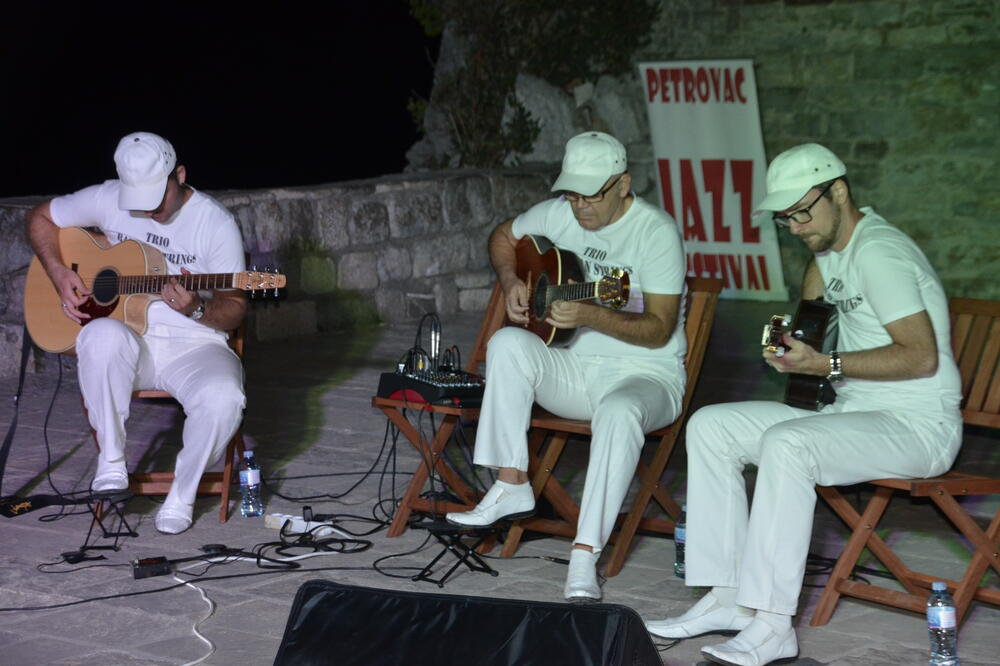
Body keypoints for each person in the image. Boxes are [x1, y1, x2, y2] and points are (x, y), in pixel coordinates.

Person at [644, 143, 962, 665]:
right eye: (785, 217)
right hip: (853, 413)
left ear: (839, 192)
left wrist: (826, 364)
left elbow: (921, 356)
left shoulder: (881, 253)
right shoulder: (831, 250)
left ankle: (773, 625)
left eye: (802, 213)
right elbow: (812, 316)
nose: (794, 226)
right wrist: (793, 348)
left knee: (788, 444)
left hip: (918, 424)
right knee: (711, 426)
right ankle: (729, 598)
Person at [446, 131, 687, 602]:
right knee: (507, 343)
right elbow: (503, 236)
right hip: (574, 370)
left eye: (591, 195)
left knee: (618, 411)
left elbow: (659, 329)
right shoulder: (559, 213)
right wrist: (511, 279)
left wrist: (591, 315)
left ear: (623, 184)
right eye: (572, 194)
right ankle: (511, 483)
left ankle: (584, 554)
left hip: (647, 376)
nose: (579, 207)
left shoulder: (656, 232)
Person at [26, 131, 248, 535]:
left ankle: (182, 495)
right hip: (130, 341)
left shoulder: (216, 223)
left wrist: (197, 308)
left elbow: (234, 309)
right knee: (99, 335)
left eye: (157, 198)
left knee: (225, 398)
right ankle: (111, 464)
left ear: (180, 175)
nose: (149, 211)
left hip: (195, 345)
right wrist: (58, 273)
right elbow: (40, 217)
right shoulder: (108, 197)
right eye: (139, 201)